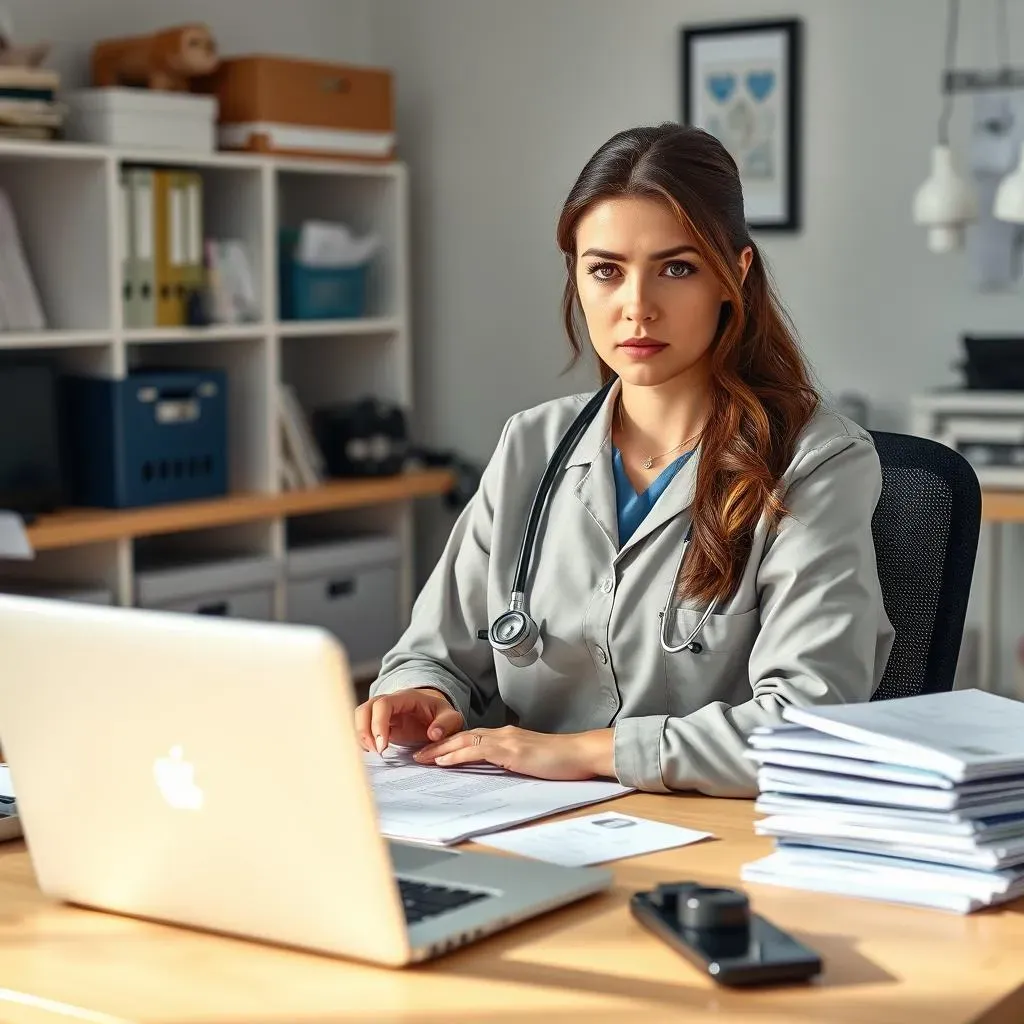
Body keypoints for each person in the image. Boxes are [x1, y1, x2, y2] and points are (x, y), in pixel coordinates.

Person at [354, 122, 895, 797]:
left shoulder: (817, 461)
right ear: (577, 277)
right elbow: (432, 652)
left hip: (713, 840)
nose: (637, 308)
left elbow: (808, 726)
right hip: (531, 822)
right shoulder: (531, 446)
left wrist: (584, 752)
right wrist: (418, 694)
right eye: (606, 270)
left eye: (677, 268)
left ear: (735, 276)